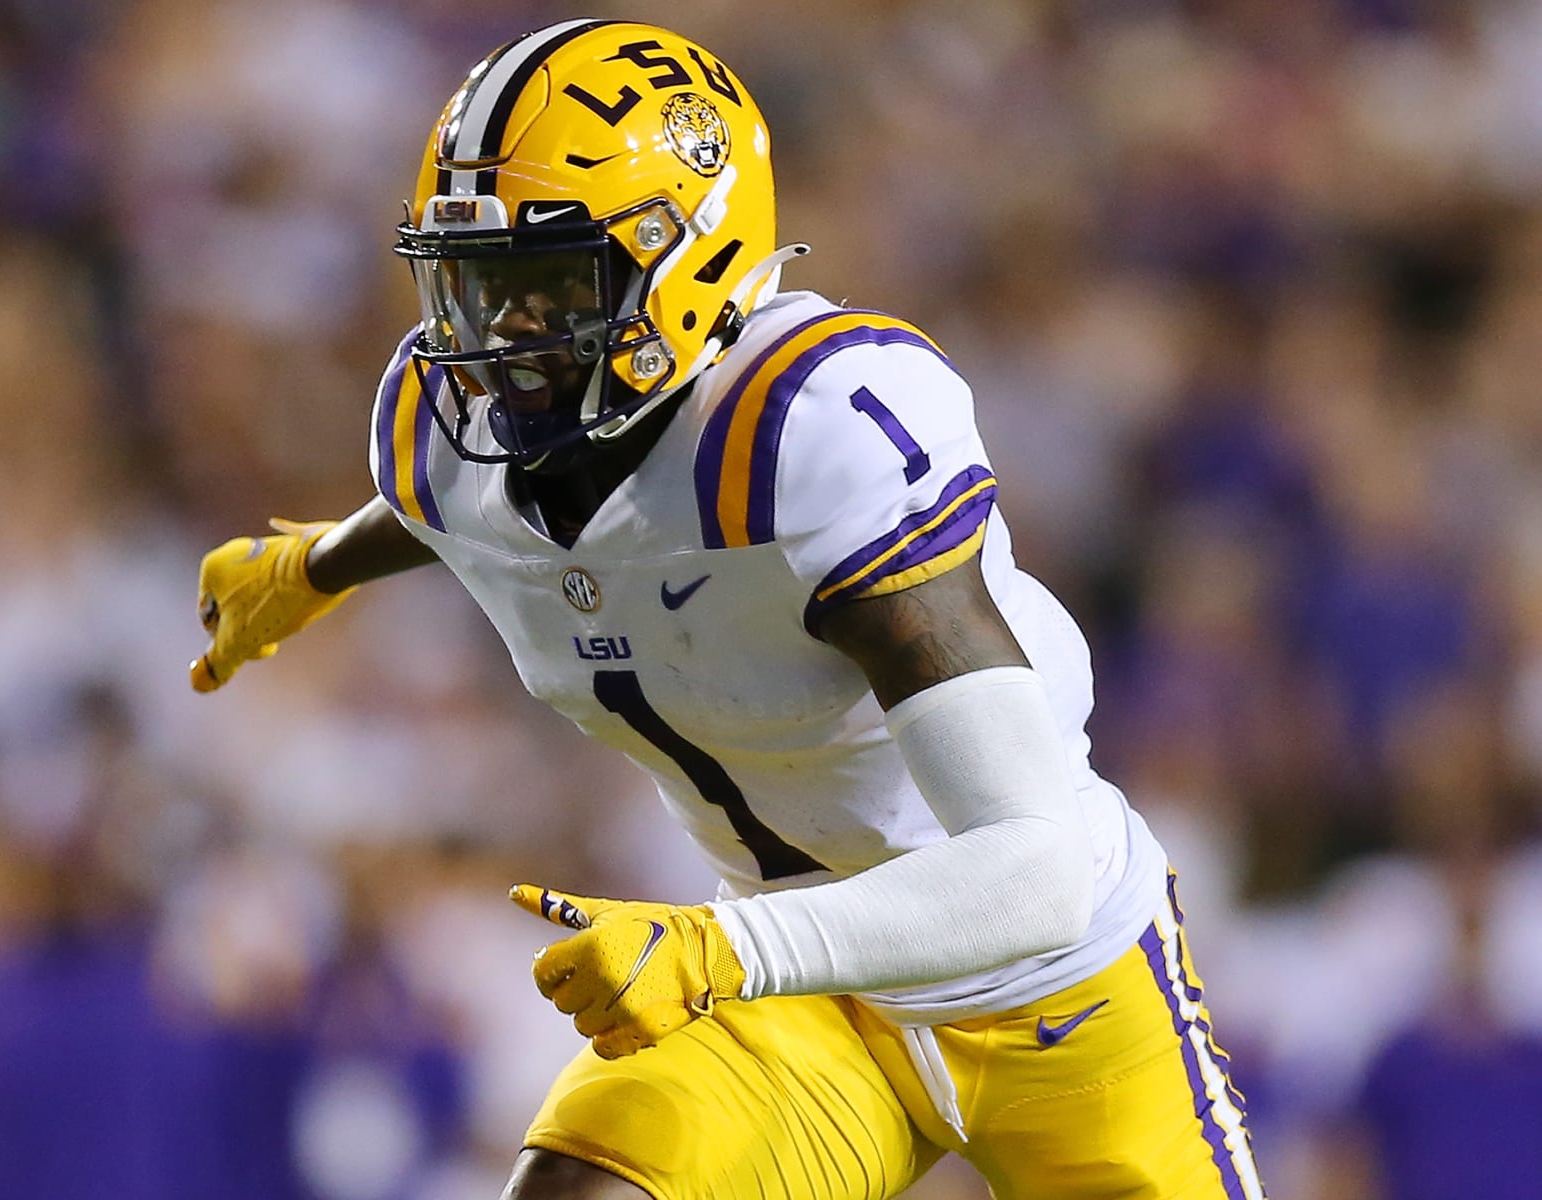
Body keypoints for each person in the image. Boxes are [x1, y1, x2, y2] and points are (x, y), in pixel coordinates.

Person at [191, 19, 1266, 1200]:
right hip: (788, 992)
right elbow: (469, 504)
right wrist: (317, 567)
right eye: (474, 289)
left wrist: (723, 948)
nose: (503, 344)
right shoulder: (442, 438)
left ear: (686, 256)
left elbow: (1033, 867)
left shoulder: (805, 437)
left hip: (1045, 982)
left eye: (547, 287)